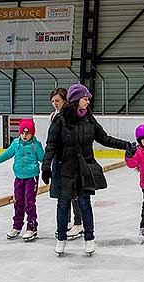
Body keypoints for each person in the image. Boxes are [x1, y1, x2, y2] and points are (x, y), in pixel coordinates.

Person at [42, 83, 133, 255]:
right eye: (85, 98)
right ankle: (61, 239)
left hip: (84, 168)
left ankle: (89, 239)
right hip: (65, 169)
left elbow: (104, 138)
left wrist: (125, 144)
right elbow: (51, 144)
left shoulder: (89, 119)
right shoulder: (60, 120)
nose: (88, 101)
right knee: (62, 205)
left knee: (85, 204)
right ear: (76, 99)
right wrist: (46, 166)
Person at [0, 119, 44, 241]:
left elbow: (43, 159)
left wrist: (49, 168)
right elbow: (5, 155)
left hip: (32, 178)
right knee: (18, 202)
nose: (25, 136)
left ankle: (32, 227)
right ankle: (17, 226)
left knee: (29, 202)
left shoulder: (36, 145)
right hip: (19, 178)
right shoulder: (16, 144)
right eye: (23, 133)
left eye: (28, 133)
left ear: (32, 133)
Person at [49, 87, 84, 240]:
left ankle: (78, 223)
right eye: (52, 102)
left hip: (73, 161)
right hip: (60, 161)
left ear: (65, 100)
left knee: (75, 194)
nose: (55, 104)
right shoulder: (54, 116)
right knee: (64, 195)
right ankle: (67, 222)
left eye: (57, 101)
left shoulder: (74, 115)